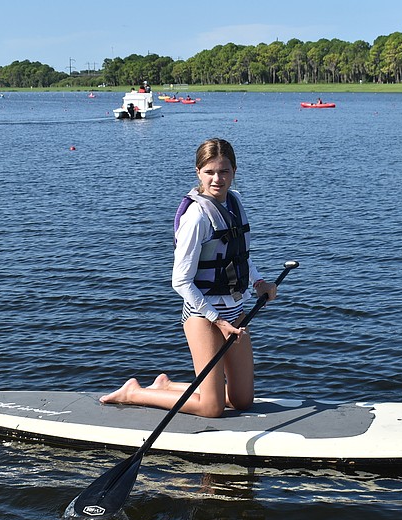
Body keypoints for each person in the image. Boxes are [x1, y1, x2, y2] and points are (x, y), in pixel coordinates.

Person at [100, 139, 278, 417]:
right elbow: (180, 281)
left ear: (234, 171)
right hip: (202, 315)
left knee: (243, 401)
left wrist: (259, 283)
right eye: (209, 172)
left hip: (236, 311)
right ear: (198, 172)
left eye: (224, 171)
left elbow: (239, 256)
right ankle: (134, 391)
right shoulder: (196, 217)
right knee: (212, 408)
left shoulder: (234, 203)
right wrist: (217, 321)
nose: (217, 179)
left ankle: (167, 385)